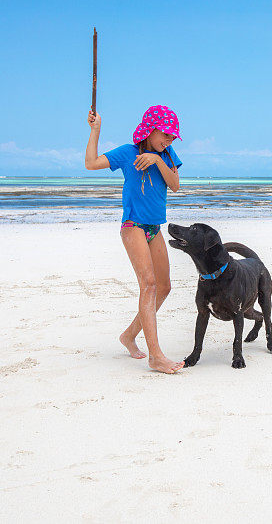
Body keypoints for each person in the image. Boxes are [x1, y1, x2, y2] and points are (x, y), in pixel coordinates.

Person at [85, 105, 184, 374]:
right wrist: (96, 131)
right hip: (133, 226)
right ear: (149, 130)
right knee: (149, 285)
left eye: (173, 137)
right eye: (165, 135)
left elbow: (175, 185)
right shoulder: (128, 153)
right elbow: (91, 163)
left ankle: (129, 336)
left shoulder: (167, 155)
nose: (169, 140)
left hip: (154, 228)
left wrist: (158, 160)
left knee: (164, 287)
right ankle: (156, 356)